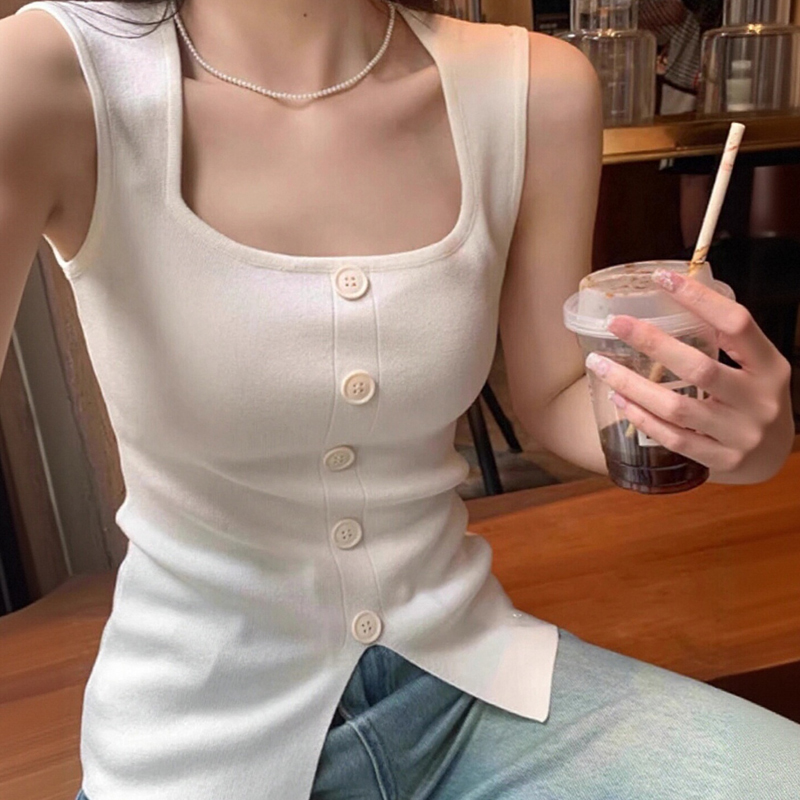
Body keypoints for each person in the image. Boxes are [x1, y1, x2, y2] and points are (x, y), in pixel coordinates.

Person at [0, 1, 797, 798]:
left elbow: (556, 394)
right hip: (197, 738)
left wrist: (715, 432)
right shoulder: (48, 73)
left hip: (473, 682)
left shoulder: (534, 87)